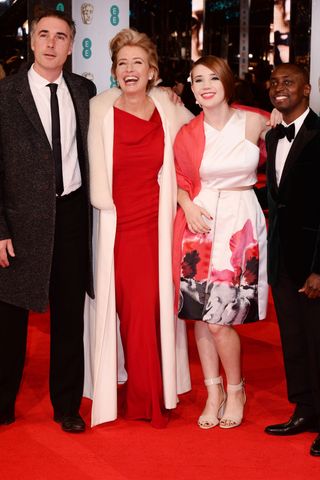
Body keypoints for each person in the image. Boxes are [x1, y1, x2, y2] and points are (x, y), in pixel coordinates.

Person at [84, 28, 192, 428]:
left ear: (152, 71)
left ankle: (153, 391)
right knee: (134, 311)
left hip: (159, 225)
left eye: (138, 63)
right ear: (114, 71)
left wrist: (260, 123)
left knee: (155, 308)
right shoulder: (99, 108)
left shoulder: (168, 106)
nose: (130, 70)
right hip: (120, 226)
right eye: (122, 63)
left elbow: (202, 138)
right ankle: (145, 397)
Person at [0, 10, 96, 433]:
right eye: (44, 35)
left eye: (61, 36)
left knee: (69, 317)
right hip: (20, 223)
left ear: (71, 46)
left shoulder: (85, 90)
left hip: (73, 215)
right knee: (9, 320)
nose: (52, 43)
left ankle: (67, 406)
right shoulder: (6, 94)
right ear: (32, 41)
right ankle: (2, 403)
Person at [173, 55, 271, 430]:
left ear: (227, 82)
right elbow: (179, 179)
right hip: (199, 223)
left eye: (214, 77)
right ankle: (212, 392)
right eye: (198, 80)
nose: (206, 85)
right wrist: (186, 205)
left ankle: (236, 389)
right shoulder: (187, 132)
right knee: (200, 315)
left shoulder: (256, 121)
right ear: (193, 89)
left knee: (220, 319)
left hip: (240, 224)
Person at [261, 63, 320, 457]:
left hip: (313, 262)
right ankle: (304, 409)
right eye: (275, 82)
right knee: (294, 340)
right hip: (282, 256)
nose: (280, 88)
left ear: (307, 89)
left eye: (289, 82)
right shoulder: (271, 137)